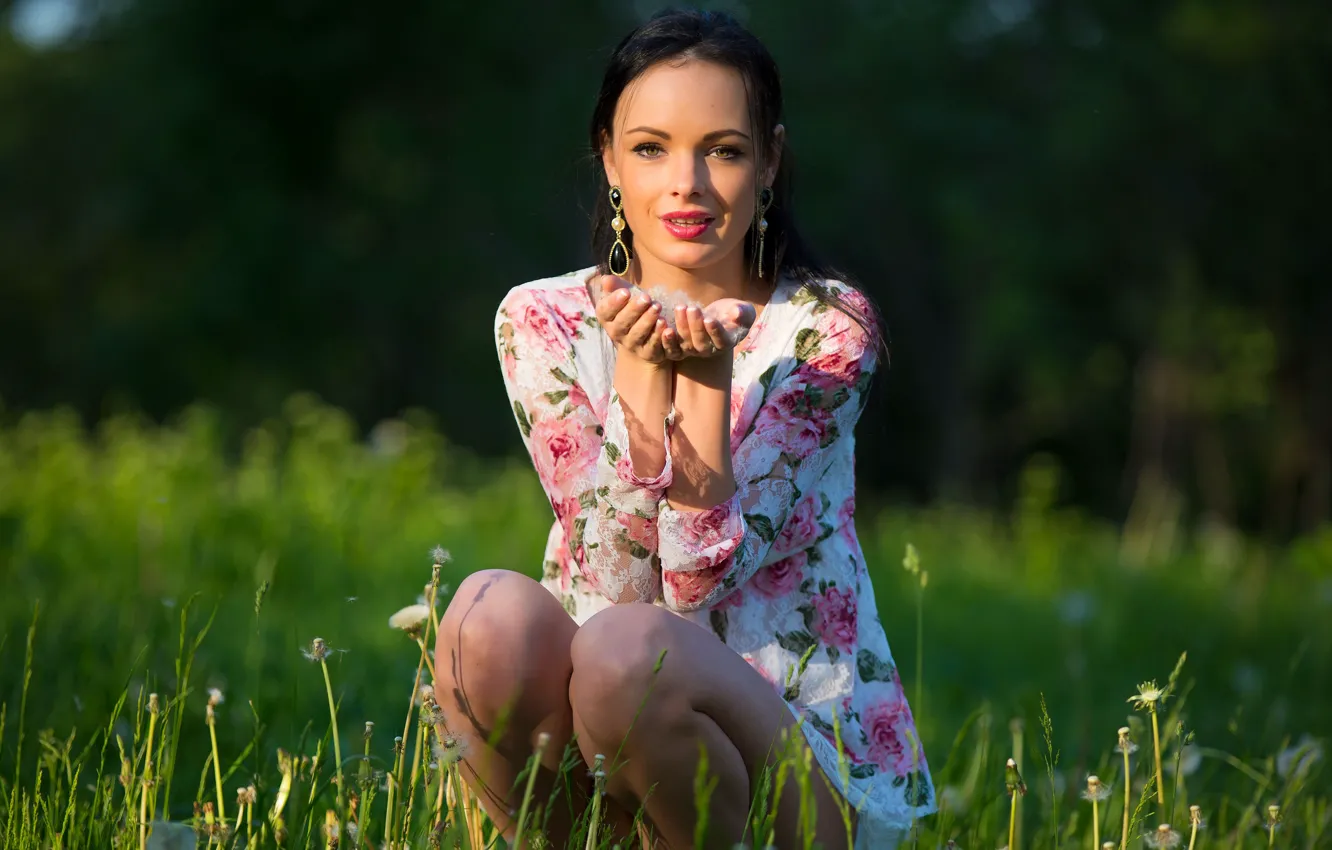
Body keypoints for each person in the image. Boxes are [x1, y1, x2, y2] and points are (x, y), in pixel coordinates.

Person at [434, 8, 934, 849]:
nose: (688, 183)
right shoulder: (543, 317)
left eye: (725, 150)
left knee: (630, 659)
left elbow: (689, 593)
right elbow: (615, 582)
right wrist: (637, 372)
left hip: (793, 762)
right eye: (652, 147)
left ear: (770, 159)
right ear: (609, 159)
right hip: (604, 730)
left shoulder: (822, 333)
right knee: (486, 617)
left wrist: (704, 382)